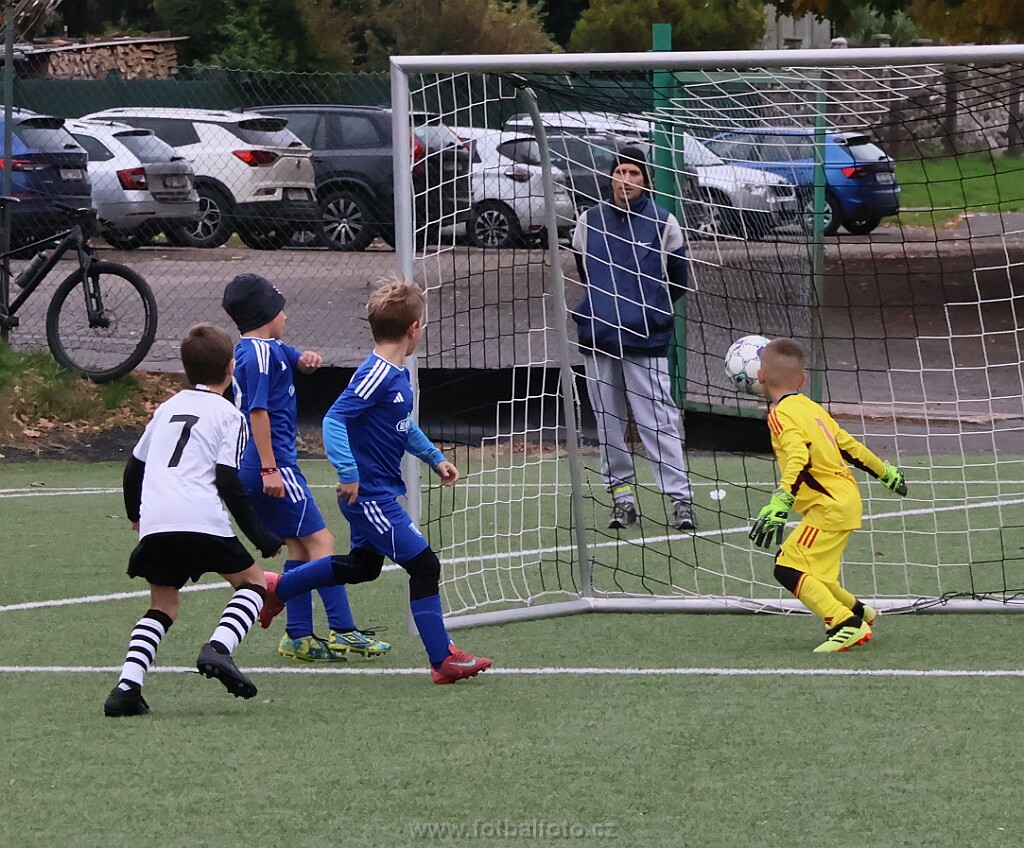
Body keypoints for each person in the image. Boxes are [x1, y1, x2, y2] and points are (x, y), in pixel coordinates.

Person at [258, 278, 492, 684]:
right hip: (370, 496)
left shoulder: (395, 374)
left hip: (377, 493)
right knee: (424, 565)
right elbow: (334, 419)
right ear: (414, 328)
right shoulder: (377, 373)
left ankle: (280, 587)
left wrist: (434, 457)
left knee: (362, 566)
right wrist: (349, 473)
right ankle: (443, 660)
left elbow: (402, 426)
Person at [103, 323, 283, 717]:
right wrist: (262, 536)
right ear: (231, 367)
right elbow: (227, 479)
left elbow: (133, 469)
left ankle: (126, 688)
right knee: (253, 584)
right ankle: (219, 648)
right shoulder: (230, 415)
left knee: (163, 605)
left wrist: (136, 515)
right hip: (200, 517)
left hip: (158, 520)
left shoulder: (167, 408)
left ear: (186, 369)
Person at [222, 273, 390, 663]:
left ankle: (298, 635)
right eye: (281, 309)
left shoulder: (262, 348)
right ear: (266, 314)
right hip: (272, 465)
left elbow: (291, 357)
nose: (286, 315)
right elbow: (258, 412)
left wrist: (306, 361)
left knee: (299, 548)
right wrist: (270, 468)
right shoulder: (260, 355)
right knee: (323, 544)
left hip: (256, 466)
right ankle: (343, 629)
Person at [749, 338, 908, 653]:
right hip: (845, 499)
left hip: (828, 507)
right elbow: (850, 447)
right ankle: (859, 611)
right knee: (814, 572)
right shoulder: (812, 408)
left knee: (788, 568)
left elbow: (798, 456)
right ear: (802, 380)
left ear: (760, 376)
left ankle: (845, 623)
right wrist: (886, 474)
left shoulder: (780, 415)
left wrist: (781, 499)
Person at [571, 145, 697, 532]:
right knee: (608, 424)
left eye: (634, 173)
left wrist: (646, 312)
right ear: (610, 177)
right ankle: (622, 499)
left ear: (646, 181)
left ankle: (681, 500)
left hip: (646, 340)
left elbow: (677, 280)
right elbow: (586, 273)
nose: (625, 180)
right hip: (599, 338)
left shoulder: (664, 223)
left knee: (658, 422)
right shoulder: (589, 221)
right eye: (619, 172)